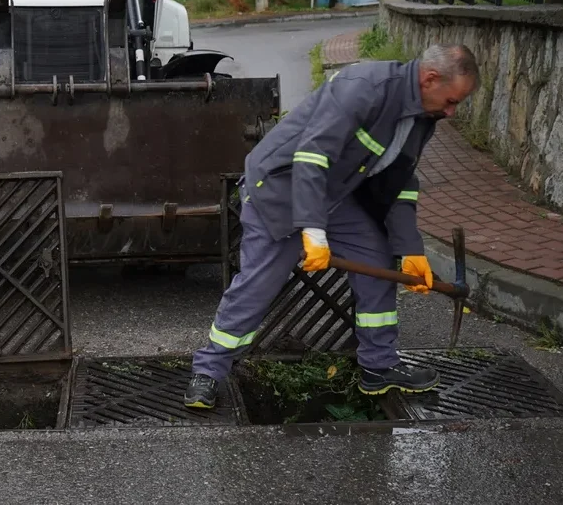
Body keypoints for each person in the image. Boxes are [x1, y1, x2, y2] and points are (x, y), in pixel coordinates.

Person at [184, 44, 479, 409]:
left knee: (378, 261)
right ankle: (208, 370)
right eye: (451, 100)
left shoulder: (423, 117)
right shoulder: (364, 87)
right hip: (281, 191)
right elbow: (311, 157)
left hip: (335, 195)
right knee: (258, 285)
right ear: (430, 78)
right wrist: (313, 231)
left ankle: (379, 365)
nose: (451, 111)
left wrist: (410, 248)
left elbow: (400, 181)